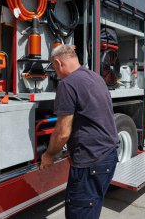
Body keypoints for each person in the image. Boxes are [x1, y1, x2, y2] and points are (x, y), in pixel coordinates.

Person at [40, 44, 119, 219]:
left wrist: (49, 154)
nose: (56, 72)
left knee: (80, 213)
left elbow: (62, 132)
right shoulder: (96, 77)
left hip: (90, 162)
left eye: (54, 67)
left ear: (59, 63)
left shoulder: (67, 85)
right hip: (108, 156)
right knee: (92, 208)